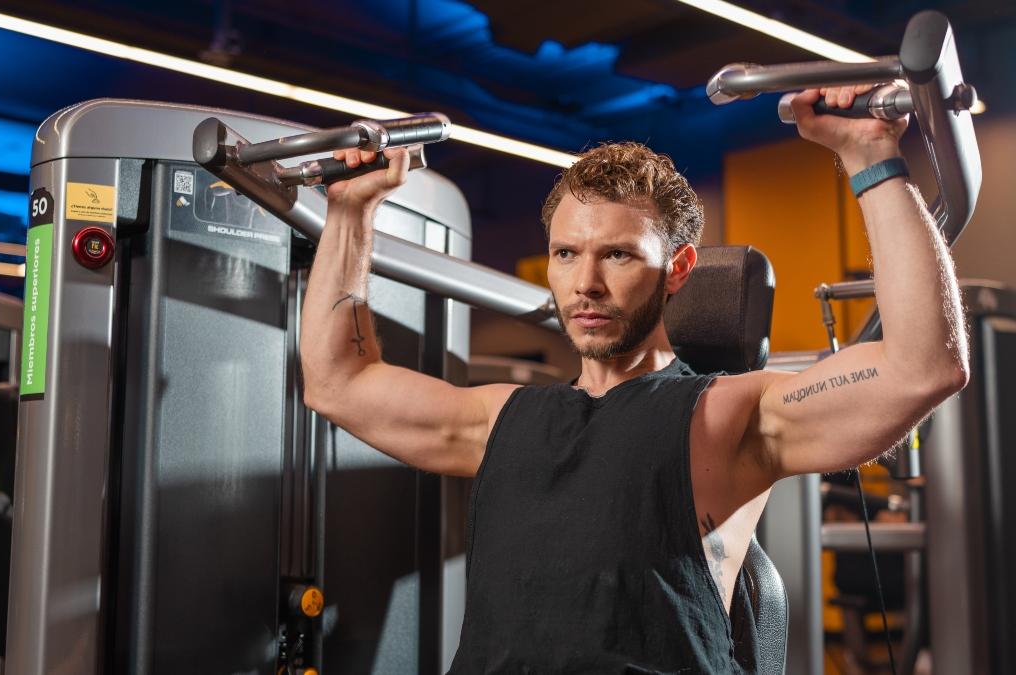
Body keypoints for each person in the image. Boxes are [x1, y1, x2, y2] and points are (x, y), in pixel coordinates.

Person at [299, 86, 968, 673]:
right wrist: (350, 213)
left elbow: (921, 366)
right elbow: (336, 381)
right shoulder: (503, 419)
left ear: (678, 268)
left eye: (617, 254)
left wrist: (869, 155)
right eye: (567, 254)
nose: (584, 283)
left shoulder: (721, 416)